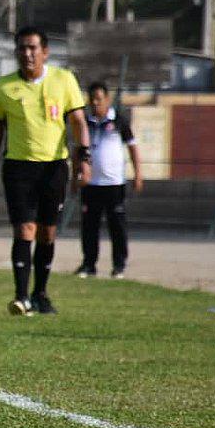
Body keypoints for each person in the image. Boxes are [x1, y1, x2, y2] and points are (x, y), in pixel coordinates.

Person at [0, 26, 91, 316]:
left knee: (47, 232)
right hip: (18, 167)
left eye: (32, 48)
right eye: (22, 48)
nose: (27, 53)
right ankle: (21, 297)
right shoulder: (4, 86)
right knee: (24, 228)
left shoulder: (64, 80)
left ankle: (40, 293)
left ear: (45, 52)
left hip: (54, 167)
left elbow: (78, 121)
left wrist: (84, 159)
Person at [75, 81, 143, 279]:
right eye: (92, 99)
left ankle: (119, 266)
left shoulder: (119, 121)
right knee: (89, 227)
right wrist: (74, 176)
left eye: (99, 99)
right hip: (91, 184)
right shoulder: (85, 123)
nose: (95, 103)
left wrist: (138, 174)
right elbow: (78, 150)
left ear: (107, 99)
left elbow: (133, 147)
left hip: (114, 184)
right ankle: (89, 265)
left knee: (117, 227)